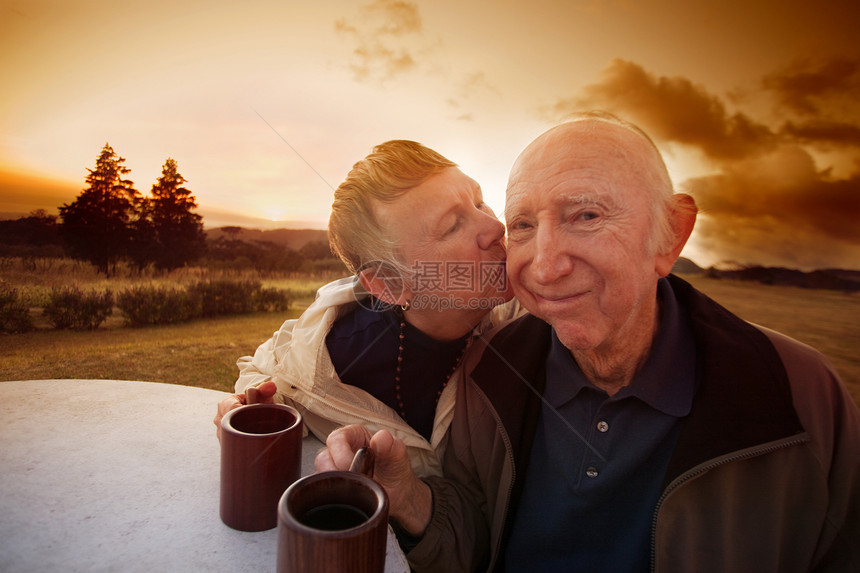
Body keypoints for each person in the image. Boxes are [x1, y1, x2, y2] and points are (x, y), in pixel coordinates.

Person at [317, 113, 860, 572]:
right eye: (523, 224)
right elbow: (475, 536)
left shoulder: (800, 399)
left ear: (670, 235)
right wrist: (410, 497)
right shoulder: (491, 371)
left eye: (587, 215)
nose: (544, 265)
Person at [213, 139, 517, 479]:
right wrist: (258, 404)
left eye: (480, 202)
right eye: (452, 225)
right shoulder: (331, 357)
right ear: (388, 284)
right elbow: (264, 366)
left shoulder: (533, 313)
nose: (496, 227)